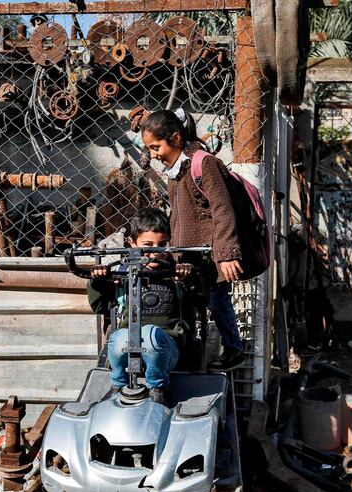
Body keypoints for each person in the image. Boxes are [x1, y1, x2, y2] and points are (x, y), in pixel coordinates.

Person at [140, 108, 245, 371]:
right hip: (188, 254)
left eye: (156, 147)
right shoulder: (176, 171)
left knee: (218, 302)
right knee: (190, 303)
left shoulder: (204, 164)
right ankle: (189, 348)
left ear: (175, 138)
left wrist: (228, 253)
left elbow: (223, 208)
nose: (153, 155)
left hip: (211, 256)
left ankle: (234, 351)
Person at [87, 207, 200, 405]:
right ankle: (118, 384)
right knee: (118, 338)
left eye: (162, 245)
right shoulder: (122, 274)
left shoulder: (176, 275)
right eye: (148, 245)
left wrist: (190, 279)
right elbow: (100, 306)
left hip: (167, 346)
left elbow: (201, 299)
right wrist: (98, 281)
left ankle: (157, 387)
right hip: (128, 344)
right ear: (132, 243)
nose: (156, 252)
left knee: (150, 335)